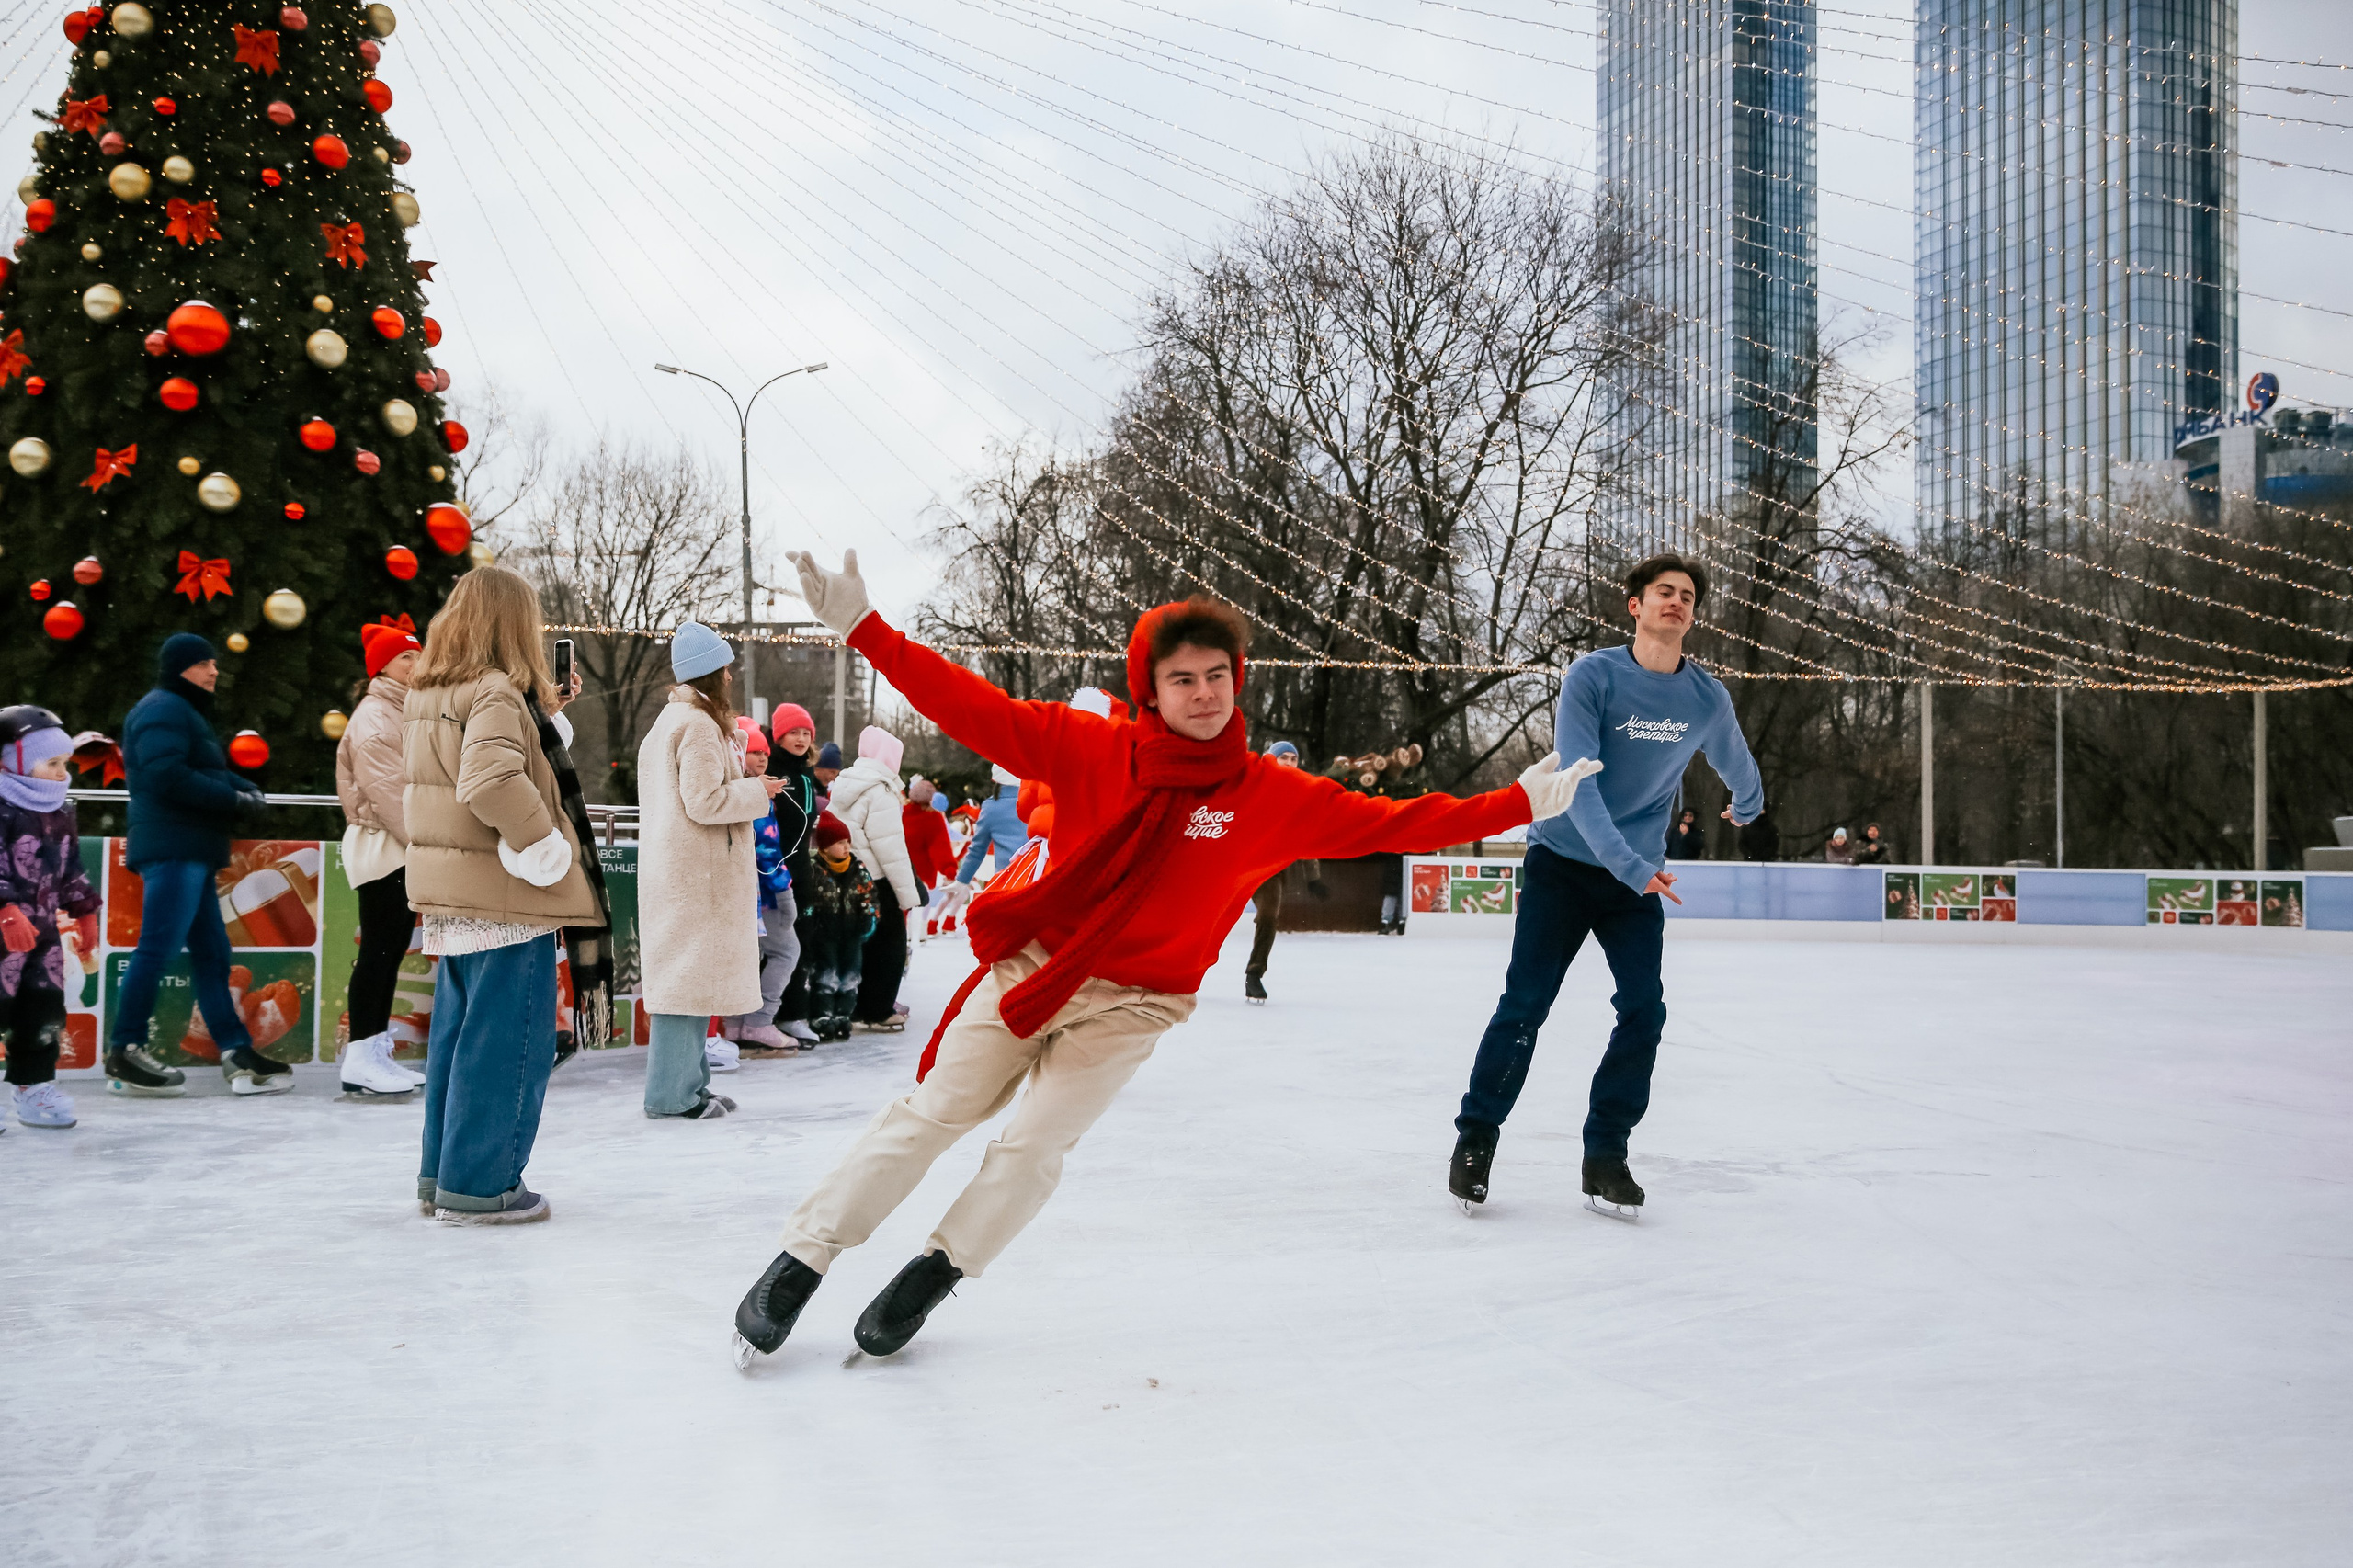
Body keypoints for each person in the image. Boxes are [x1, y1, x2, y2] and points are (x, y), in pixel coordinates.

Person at [731, 551, 1597, 1368]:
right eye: (1183, 678)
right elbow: (971, 705)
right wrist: (867, 630)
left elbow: (1398, 824)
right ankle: (801, 1261)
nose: (1205, 693)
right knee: (931, 1116)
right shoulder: (1092, 748)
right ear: (1150, 689)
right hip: (1036, 965)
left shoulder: (1269, 795)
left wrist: (1517, 801)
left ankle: (935, 1272)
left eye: (1219, 675)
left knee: (1032, 1148)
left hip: (1136, 1004)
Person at [1452, 552, 1762, 1222]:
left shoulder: (1705, 697)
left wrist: (1749, 800)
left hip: (1635, 882)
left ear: (1693, 613)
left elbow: (1736, 758)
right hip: (1563, 865)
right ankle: (1476, 1140)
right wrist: (1632, 866)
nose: (1675, 602)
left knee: (1644, 1011)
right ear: (1636, 606)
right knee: (1524, 1007)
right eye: (1662, 593)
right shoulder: (1594, 676)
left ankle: (1606, 1153)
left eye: (1686, 596)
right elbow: (1579, 785)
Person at [404, 567, 610, 1224]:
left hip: (456, 897)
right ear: (511, 623)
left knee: (459, 1040)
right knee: (508, 1044)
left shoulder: (433, 689)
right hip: (506, 894)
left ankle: (445, 1174)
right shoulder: (493, 690)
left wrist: (545, 714)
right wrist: (544, 843)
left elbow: (498, 753)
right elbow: (492, 779)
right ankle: (482, 1183)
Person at [108, 632, 275, 1097]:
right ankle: (125, 1048)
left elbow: (203, 770)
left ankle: (235, 1050)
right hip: (173, 846)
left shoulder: (180, 711)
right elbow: (166, 774)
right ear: (182, 668)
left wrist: (243, 786)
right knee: (158, 948)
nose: (214, 670)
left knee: (212, 953)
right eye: (205, 663)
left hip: (192, 847)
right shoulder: (163, 708)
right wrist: (234, 800)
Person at [635, 623, 783, 1118]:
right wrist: (759, 791)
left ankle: (691, 1085)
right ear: (715, 673)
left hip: (680, 870)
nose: (732, 674)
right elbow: (704, 801)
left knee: (691, 983)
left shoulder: (670, 722)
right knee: (685, 986)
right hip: (697, 875)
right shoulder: (696, 725)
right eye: (727, 667)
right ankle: (672, 1096)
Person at [335, 617, 428, 1101]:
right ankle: (362, 1058)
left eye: (418, 654)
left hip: (395, 844)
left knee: (387, 953)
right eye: (405, 657)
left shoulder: (401, 710)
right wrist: (428, 843)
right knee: (380, 951)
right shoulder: (376, 717)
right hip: (385, 845)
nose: (416, 663)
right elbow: (391, 794)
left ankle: (372, 1054)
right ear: (382, 668)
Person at [0, 707, 101, 1130]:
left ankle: (34, 1087)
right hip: (3, 931)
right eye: (52, 763)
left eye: (65, 764)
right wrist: (4, 909)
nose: (62, 774)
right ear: (15, 762)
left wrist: (85, 912)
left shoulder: (59, 809)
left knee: (42, 1011)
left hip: (42, 933)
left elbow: (70, 866)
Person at [826, 726, 920, 1032]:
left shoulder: (846, 782)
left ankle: (854, 1005)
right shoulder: (880, 790)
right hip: (877, 878)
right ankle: (878, 1008)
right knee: (889, 944)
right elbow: (890, 847)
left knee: (858, 944)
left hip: (848, 872)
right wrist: (907, 894)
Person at [725, 717, 801, 1055]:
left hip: (747, 893)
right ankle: (759, 1020)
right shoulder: (755, 795)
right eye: (753, 752)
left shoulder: (738, 791)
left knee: (749, 956)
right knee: (786, 951)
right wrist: (785, 891)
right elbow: (766, 849)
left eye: (765, 754)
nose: (760, 760)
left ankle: (737, 1024)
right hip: (763, 894)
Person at [1242, 741, 1321, 1006]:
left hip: (1270, 872)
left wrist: (1313, 877)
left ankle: (1254, 974)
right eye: (1283, 758)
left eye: (1293, 758)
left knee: (1268, 917)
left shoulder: (1299, 795)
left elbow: (1306, 836)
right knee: (1208, 917)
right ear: (1271, 760)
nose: (1289, 763)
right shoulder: (1254, 784)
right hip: (1238, 864)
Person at [766, 704, 824, 1046]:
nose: (801, 739)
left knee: (800, 944)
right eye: (794, 732)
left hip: (800, 871)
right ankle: (769, 1016)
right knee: (778, 948)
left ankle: (794, 1014)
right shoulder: (770, 771)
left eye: (806, 733)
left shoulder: (806, 775)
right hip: (774, 871)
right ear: (780, 736)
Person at [803, 812, 877, 1042]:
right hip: (825, 933)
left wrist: (869, 920)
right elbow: (808, 900)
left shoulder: (858, 868)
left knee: (850, 976)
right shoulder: (814, 870)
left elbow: (870, 897)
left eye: (847, 842)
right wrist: (811, 922)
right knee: (826, 974)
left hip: (853, 933)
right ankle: (822, 1016)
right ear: (824, 847)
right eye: (839, 843)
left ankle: (843, 1015)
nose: (846, 848)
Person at [904, 780, 957, 940]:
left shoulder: (900, 813)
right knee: (923, 901)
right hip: (923, 869)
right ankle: (921, 931)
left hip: (901, 866)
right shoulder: (933, 818)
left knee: (903, 903)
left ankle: (904, 932)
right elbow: (940, 847)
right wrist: (948, 868)